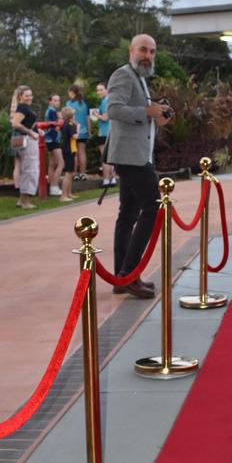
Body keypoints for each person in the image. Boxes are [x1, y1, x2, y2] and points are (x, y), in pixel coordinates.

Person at [105, 34, 171, 299]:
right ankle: (129, 274)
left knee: (129, 213)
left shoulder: (140, 79)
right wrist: (147, 112)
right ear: (131, 50)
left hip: (136, 155)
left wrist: (159, 114)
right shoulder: (123, 75)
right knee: (152, 207)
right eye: (144, 50)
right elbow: (114, 110)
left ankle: (122, 276)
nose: (148, 55)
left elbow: (142, 113)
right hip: (130, 157)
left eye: (152, 52)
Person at [10, 85, 43, 210]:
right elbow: (16, 124)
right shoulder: (22, 108)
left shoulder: (25, 108)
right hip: (27, 141)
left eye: (30, 95)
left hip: (29, 140)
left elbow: (25, 123)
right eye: (27, 95)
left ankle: (22, 200)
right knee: (30, 170)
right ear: (20, 97)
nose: (30, 97)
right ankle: (25, 201)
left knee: (29, 169)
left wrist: (37, 130)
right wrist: (31, 132)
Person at [91, 82, 116, 186]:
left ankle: (106, 179)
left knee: (105, 157)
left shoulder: (105, 101)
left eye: (101, 89)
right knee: (110, 157)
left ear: (106, 90)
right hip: (111, 131)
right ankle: (112, 179)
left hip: (105, 132)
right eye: (98, 90)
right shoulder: (109, 100)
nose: (99, 92)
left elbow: (105, 118)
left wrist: (96, 114)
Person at [67, 84, 90, 179]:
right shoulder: (84, 104)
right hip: (84, 131)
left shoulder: (69, 104)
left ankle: (74, 173)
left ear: (72, 93)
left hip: (73, 130)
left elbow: (68, 117)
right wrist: (89, 130)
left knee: (74, 152)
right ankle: (83, 173)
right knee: (82, 152)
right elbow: (87, 118)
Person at [43, 93, 64, 196]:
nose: (57, 102)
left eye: (58, 100)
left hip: (48, 139)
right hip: (53, 139)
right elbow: (57, 126)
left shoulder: (49, 111)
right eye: (54, 100)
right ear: (50, 101)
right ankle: (54, 187)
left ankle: (51, 186)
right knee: (61, 163)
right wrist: (61, 119)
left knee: (52, 164)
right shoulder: (52, 111)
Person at [59, 106, 78, 202]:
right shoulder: (70, 125)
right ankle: (63, 195)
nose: (75, 116)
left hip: (69, 149)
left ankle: (68, 193)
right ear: (71, 116)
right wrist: (78, 128)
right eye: (74, 114)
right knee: (68, 173)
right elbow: (75, 136)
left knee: (70, 172)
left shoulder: (67, 124)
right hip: (68, 150)